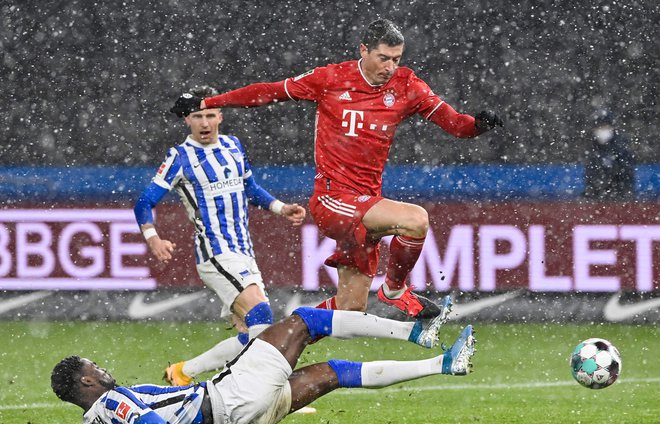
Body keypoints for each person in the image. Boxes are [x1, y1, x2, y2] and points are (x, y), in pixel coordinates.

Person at [171, 19, 503, 318]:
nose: (390, 67)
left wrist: (477, 126)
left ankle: (276, 342)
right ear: (364, 50)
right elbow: (270, 92)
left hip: (366, 203)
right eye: (383, 58)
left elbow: (455, 124)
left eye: (396, 59)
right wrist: (208, 103)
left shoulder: (407, 86)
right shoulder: (330, 78)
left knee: (348, 308)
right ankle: (395, 289)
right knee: (415, 220)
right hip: (332, 200)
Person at [51, 306, 476, 424]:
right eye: (97, 369)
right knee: (306, 321)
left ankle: (445, 363)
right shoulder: (112, 401)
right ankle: (418, 333)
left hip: (244, 413)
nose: (104, 370)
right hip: (228, 401)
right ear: (87, 382)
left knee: (333, 372)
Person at [134, 85, 306, 386]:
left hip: (243, 251)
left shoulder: (233, 147)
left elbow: (250, 189)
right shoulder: (179, 157)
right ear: (187, 121)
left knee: (254, 335)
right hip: (215, 253)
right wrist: (153, 238)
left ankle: (184, 372)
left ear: (220, 116)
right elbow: (144, 202)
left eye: (210, 115)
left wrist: (281, 208)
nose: (204, 123)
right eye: (197, 116)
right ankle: (265, 390)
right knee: (262, 315)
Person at [584, 109, 635, 200]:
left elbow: (626, 177)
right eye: (599, 127)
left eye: (605, 127)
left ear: (612, 128)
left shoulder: (621, 148)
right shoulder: (592, 148)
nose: (601, 131)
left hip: (618, 199)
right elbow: (590, 177)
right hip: (597, 199)